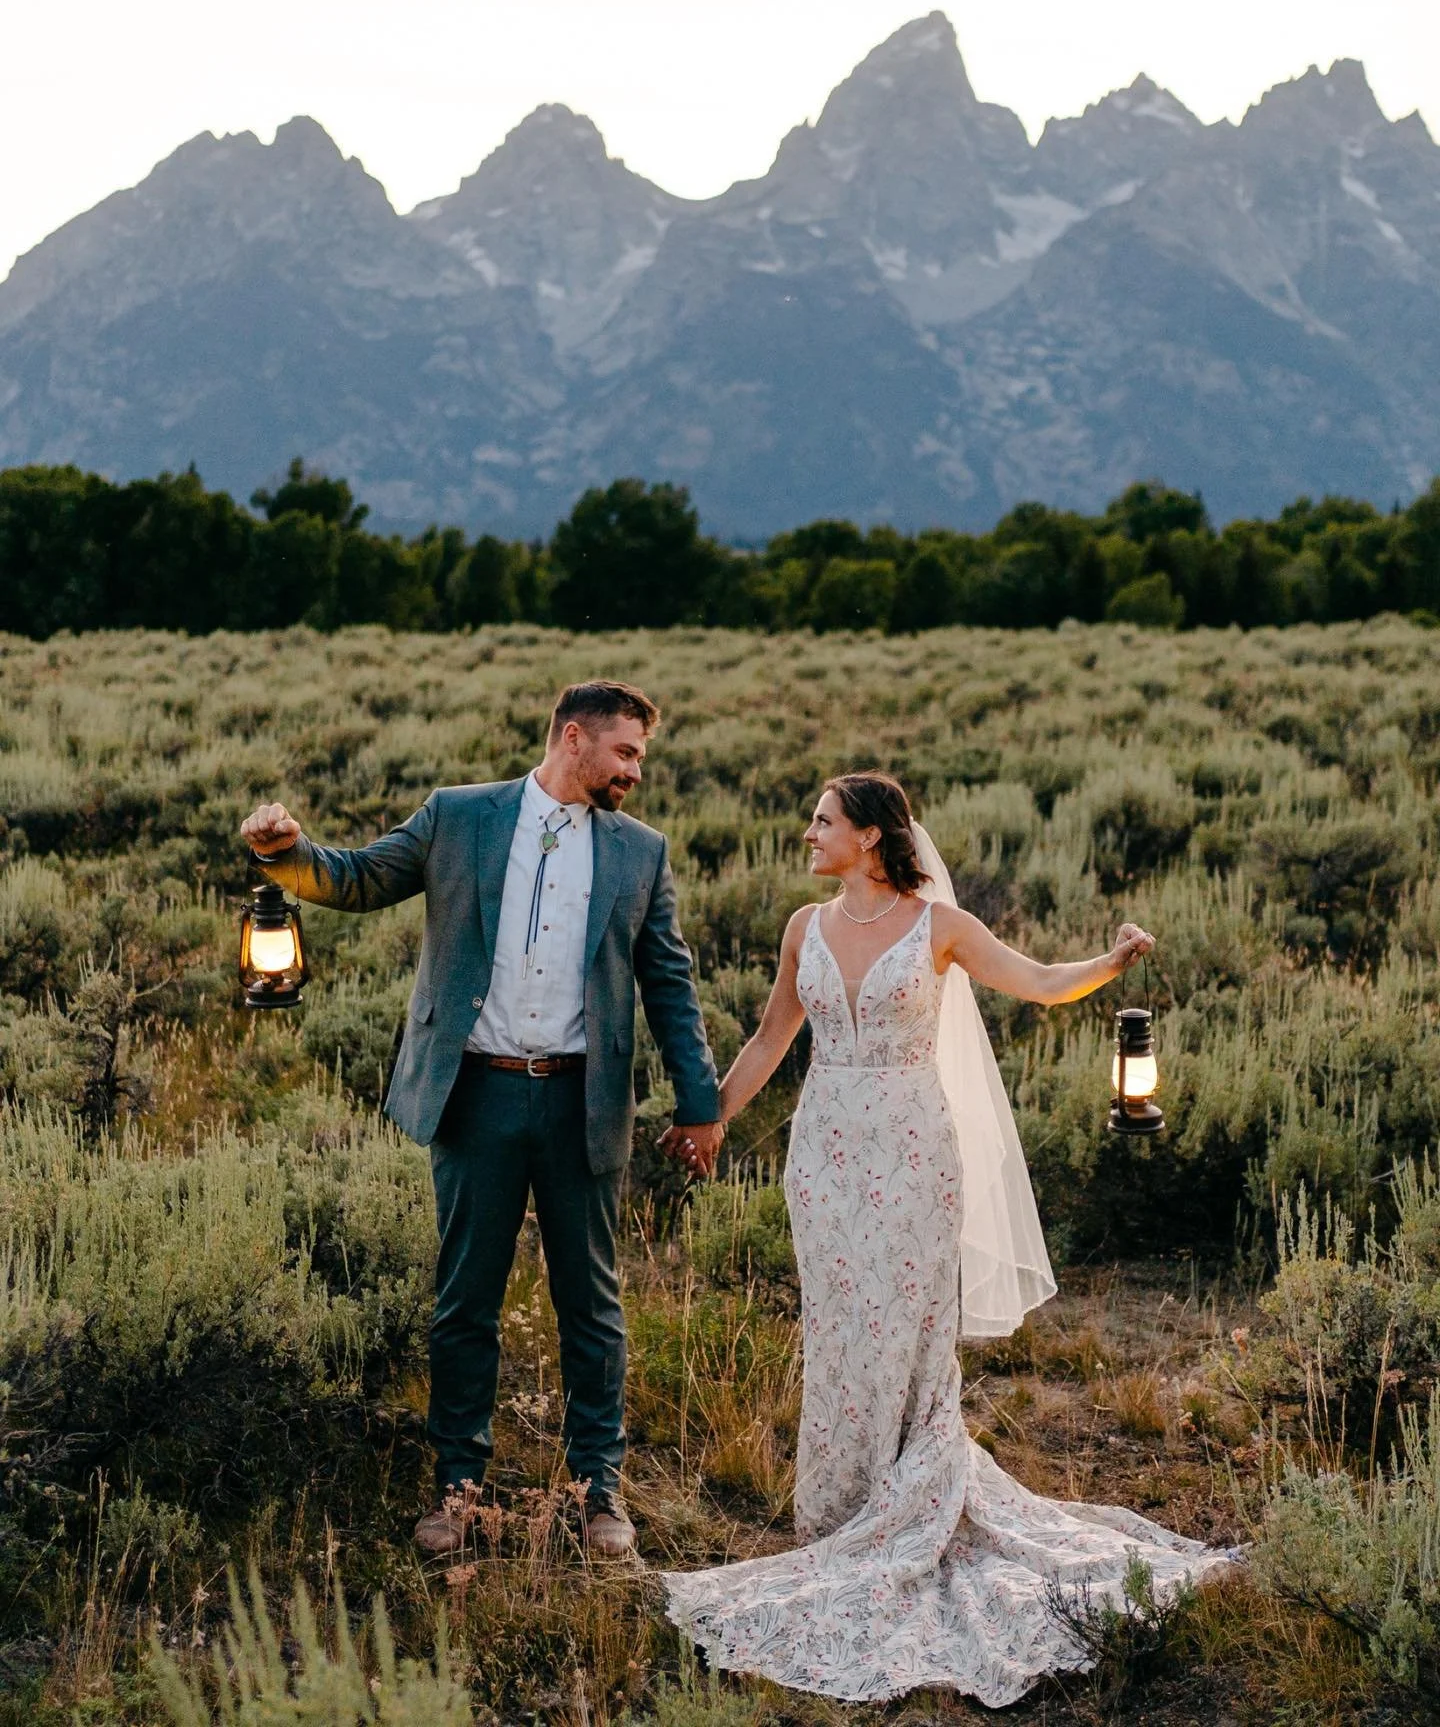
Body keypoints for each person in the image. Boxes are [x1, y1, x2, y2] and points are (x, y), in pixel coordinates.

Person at [663, 771, 1236, 1706]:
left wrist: (1110, 960)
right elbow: (770, 1041)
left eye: (823, 821)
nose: (808, 833)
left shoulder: (939, 928)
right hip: (825, 1154)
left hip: (914, 1152)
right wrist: (709, 1118)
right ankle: (844, 1507)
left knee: (909, 1327)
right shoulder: (805, 928)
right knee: (839, 1327)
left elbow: (1039, 985)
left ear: (871, 836)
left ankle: (911, 1500)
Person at [240, 679, 722, 1559]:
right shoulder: (458, 816)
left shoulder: (641, 852)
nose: (635, 772)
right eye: (625, 752)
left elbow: (670, 984)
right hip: (476, 1094)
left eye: (640, 757)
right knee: (465, 1302)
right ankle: (457, 1486)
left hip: (582, 1101)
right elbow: (358, 878)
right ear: (572, 738)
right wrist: (288, 853)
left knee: (592, 1307)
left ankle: (599, 1489)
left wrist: (701, 1106)